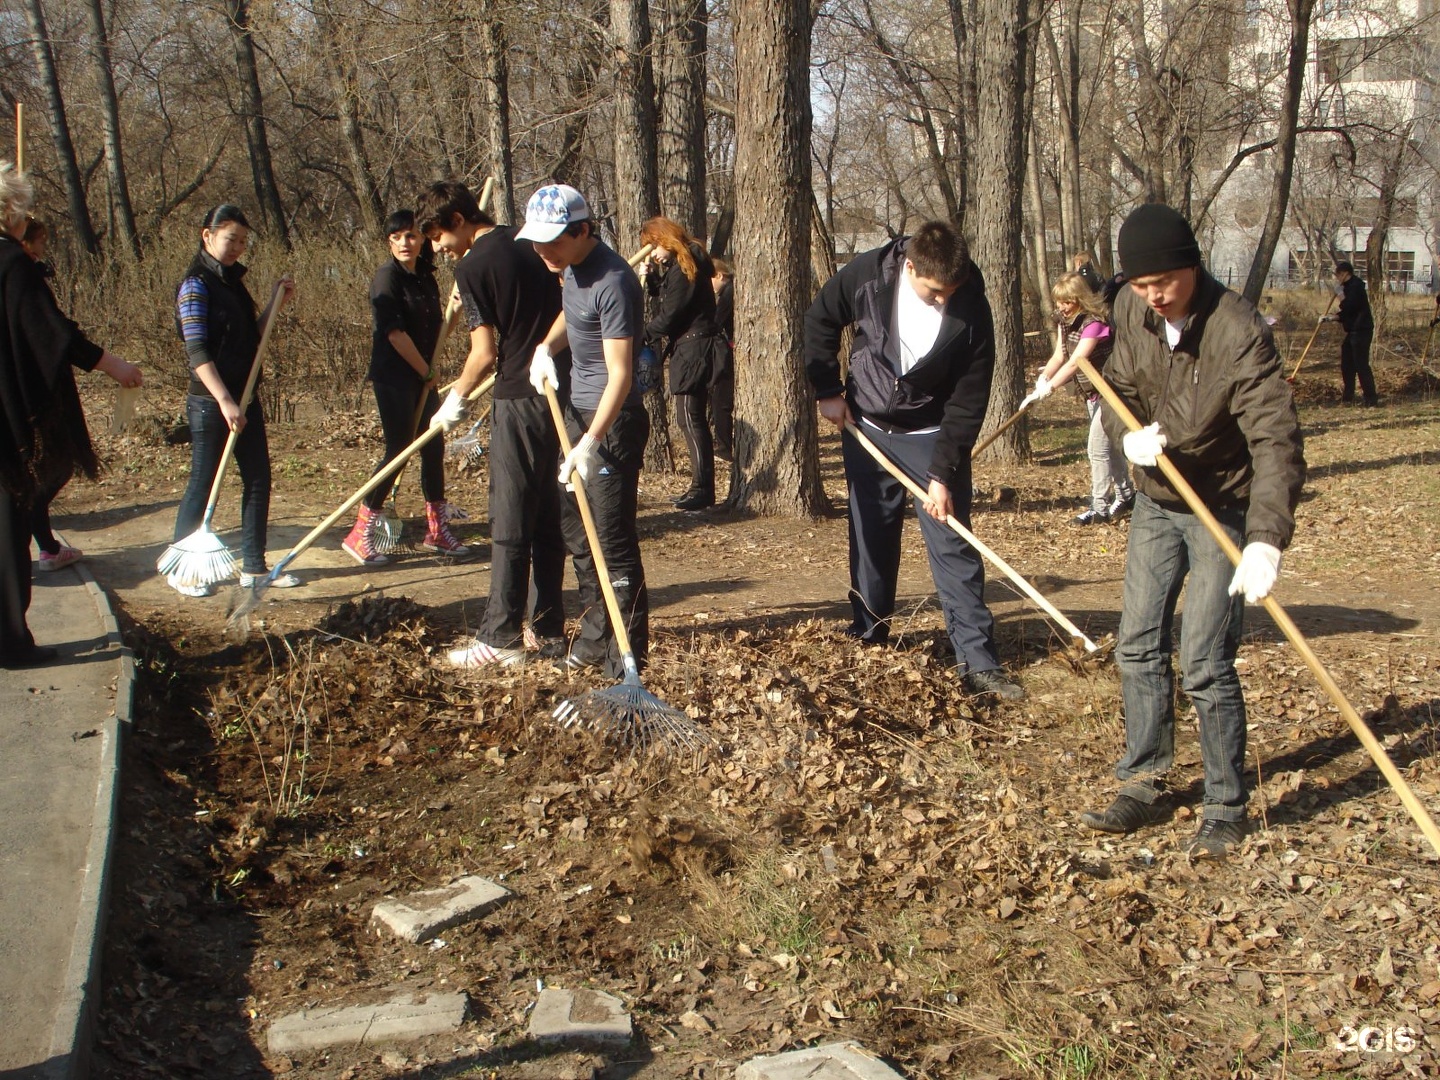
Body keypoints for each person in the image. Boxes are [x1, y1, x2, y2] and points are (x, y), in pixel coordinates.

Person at [1080, 203, 1305, 857]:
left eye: (1163, 284)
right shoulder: (1130, 307)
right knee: (1138, 644)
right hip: (1156, 502)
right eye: (1142, 285)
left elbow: (1275, 439)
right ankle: (1145, 780)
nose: (1153, 297)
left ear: (1193, 264)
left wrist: (1265, 537)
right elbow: (1114, 384)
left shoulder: (1237, 331)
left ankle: (1226, 804)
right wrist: (1131, 440)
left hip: (1222, 508)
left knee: (1205, 660)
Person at [803, 220, 1024, 701]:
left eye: (951, 292)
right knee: (870, 535)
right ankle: (868, 633)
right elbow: (820, 319)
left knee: (953, 546)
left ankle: (978, 662)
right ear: (909, 267)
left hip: (932, 436)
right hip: (868, 429)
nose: (944, 300)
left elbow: (970, 398)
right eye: (934, 292)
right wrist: (827, 389)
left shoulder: (971, 308)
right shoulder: (867, 274)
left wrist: (943, 473)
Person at [417, 180, 570, 667]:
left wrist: (455, 397)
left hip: (518, 397)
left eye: (439, 236)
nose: (439, 249)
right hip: (559, 387)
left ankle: (500, 637)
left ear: (458, 221)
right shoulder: (528, 239)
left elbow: (483, 353)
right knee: (547, 516)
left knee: (509, 518)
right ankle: (546, 629)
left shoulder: (470, 267)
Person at [0, 162, 142, 666]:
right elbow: (53, 335)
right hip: (10, 423)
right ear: (11, 212)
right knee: (8, 528)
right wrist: (113, 365)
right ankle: (11, 643)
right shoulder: (12, 266)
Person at [519, 183, 650, 675]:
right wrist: (546, 349)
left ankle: (625, 655)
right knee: (577, 532)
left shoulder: (614, 282)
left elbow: (621, 374)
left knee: (612, 543)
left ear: (583, 230)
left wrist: (592, 442)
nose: (542, 251)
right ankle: (596, 637)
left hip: (611, 426)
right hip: (576, 415)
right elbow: (573, 317)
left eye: (552, 240)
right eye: (536, 241)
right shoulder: (570, 270)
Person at [168, 204, 296, 596]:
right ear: (207, 236)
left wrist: (276, 301)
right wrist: (224, 401)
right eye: (230, 239)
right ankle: (183, 570)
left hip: (246, 397)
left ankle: (254, 567)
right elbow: (197, 352)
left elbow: (251, 339)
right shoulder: (196, 285)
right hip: (211, 404)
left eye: (243, 240)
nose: (238, 247)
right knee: (204, 483)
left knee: (258, 478)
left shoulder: (233, 285)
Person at [343, 209, 467, 566]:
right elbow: (395, 334)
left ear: (422, 239)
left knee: (432, 445)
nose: (404, 243)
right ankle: (360, 531)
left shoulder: (425, 277)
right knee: (398, 449)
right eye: (396, 237)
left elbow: (437, 331)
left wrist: (455, 312)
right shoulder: (387, 278)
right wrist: (425, 371)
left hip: (422, 373)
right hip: (395, 376)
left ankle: (436, 530)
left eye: (410, 236)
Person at [1032, 271, 1134, 525]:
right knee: (1110, 448)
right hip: (1092, 394)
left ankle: (1099, 508)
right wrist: (1042, 381)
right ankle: (1126, 495)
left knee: (1097, 449)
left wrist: (1051, 388)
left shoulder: (1095, 323)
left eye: (1067, 302)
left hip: (1112, 392)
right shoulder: (1065, 322)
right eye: (1059, 302)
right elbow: (1060, 356)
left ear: (1079, 299)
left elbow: (1077, 362)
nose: (1062, 308)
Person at [639, 216, 726, 510]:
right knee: (690, 419)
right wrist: (652, 277)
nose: (652, 253)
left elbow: (670, 314)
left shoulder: (687, 267)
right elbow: (669, 299)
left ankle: (703, 489)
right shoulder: (684, 266)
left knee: (690, 418)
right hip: (691, 346)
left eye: (653, 246)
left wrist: (642, 335)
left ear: (666, 239)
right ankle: (700, 487)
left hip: (694, 348)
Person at [20, 218, 84, 571]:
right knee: (48, 470)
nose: (44, 246)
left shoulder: (29, 275)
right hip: (36, 392)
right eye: (40, 240)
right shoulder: (21, 276)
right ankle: (44, 545)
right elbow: (53, 332)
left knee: (46, 472)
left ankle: (45, 545)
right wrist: (105, 361)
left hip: (40, 387)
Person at [1324, 261, 1378, 406]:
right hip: (1353, 330)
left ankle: (1371, 399)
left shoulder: (1356, 287)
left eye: (1338, 275)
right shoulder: (1348, 287)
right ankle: (1348, 397)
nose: (1337, 279)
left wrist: (1340, 295)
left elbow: (1349, 306)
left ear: (1345, 274)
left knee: (1361, 365)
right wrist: (1331, 318)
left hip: (1362, 330)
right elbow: (1347, 313)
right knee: (1347, 364)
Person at [710, 257, 735, 463]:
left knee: (722, 400)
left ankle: (724, 447)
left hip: (731, 352)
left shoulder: (728, 294)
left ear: (719, 275)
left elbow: (716, 323)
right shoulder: (732, 291)